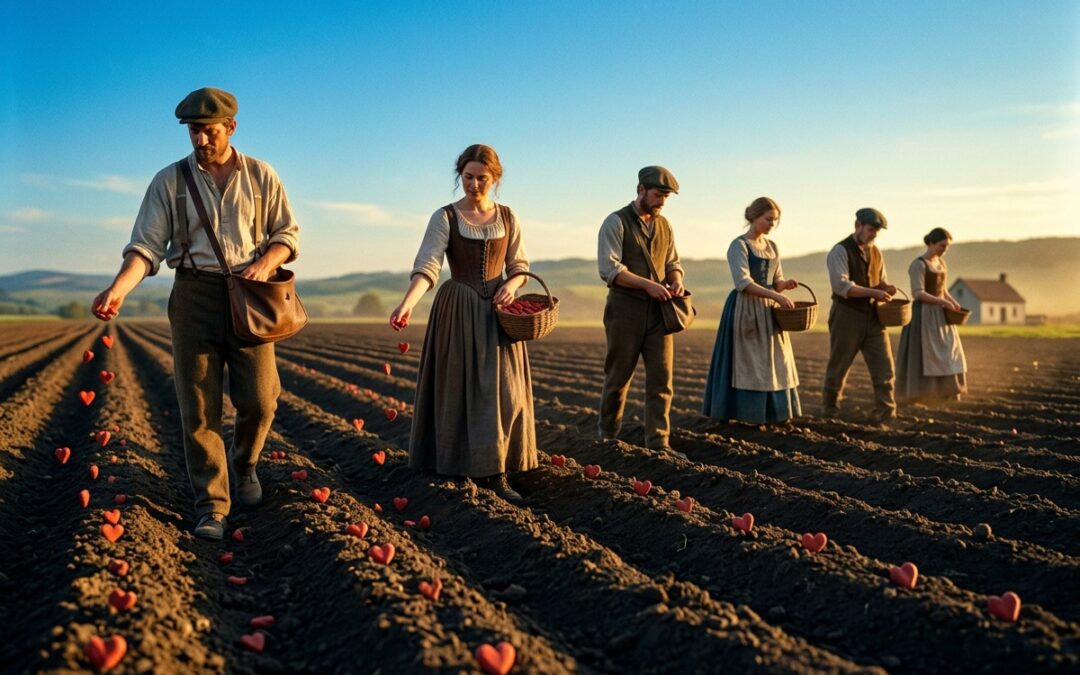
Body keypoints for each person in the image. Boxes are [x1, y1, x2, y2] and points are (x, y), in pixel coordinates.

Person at [92, 87, 300, 540]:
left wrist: (264, 265)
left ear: (231, 127)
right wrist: (119, 289)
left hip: (250, 294)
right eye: (193, 132)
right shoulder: (169, 182)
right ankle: (212, 505)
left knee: (261, 400)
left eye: (208, 131)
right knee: (199, 409)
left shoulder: (262, 176)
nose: (200, 140)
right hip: (193, 296)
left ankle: (244, 465)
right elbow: (145, 247)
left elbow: (287, 233)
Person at [390, 144, 536, 503]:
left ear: (495, 179)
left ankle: (499, 470)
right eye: (467, 177)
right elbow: (428, 267)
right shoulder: (445, 217)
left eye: (481, 179)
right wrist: (407, 304)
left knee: (504, 391)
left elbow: (520, 267)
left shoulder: (509, 217)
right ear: (461, 176)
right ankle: (458, 465)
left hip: (499, 316)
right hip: (458, 310)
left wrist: (512, 285)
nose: (473, 185)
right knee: (459, 388)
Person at [597, 166, 686, 457]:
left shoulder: (666, 225)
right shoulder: (615, 222)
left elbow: (673, 261)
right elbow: (609, 270)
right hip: (625, 311)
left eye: (666, 197)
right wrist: (647, 285)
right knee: (618, 377)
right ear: (640, 190)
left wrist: (676, 280)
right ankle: (607, 439)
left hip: (660, 313)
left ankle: (659, 443)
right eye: (658, 195)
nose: (662, 202)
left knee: (662, 380)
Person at [703, 197, 801, 424]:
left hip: (770, 310)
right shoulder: (739, 245)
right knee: (748, 362)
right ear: (754, 217)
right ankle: (744, 413)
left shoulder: (772, 246)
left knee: (774, 360)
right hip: (745, 308)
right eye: (768, 219)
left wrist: (784, 286)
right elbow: (743, 282)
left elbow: (776, 279)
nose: (772, 224)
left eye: (775, 220)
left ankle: (774, 414)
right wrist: (776, 295)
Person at [823, 207, 898, 424]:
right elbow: (842, 287)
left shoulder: (876, 252)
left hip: (874, 317)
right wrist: (874, 292)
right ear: (858, 226)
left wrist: (886, 287)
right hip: (847, 315)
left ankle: (887, 413)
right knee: (839, 365)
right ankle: (830, 411)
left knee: (884, 367)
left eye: (877, 231)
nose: (875, 234)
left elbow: (880, 279)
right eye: (872, 229)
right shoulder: (840, 251)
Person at [896, 228, 968, 402]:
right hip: (924, 315)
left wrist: (952, 301)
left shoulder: (941, 263)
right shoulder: (918, 265)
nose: (944, 249)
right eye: (942, 246)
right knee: (927, 353)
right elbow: (918, 293)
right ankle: (923, 393)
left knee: (949, 351)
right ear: (931, 243)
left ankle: (948, 391)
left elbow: (942, 289)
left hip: (941, 314)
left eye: (947, 247)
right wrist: (943, 302)